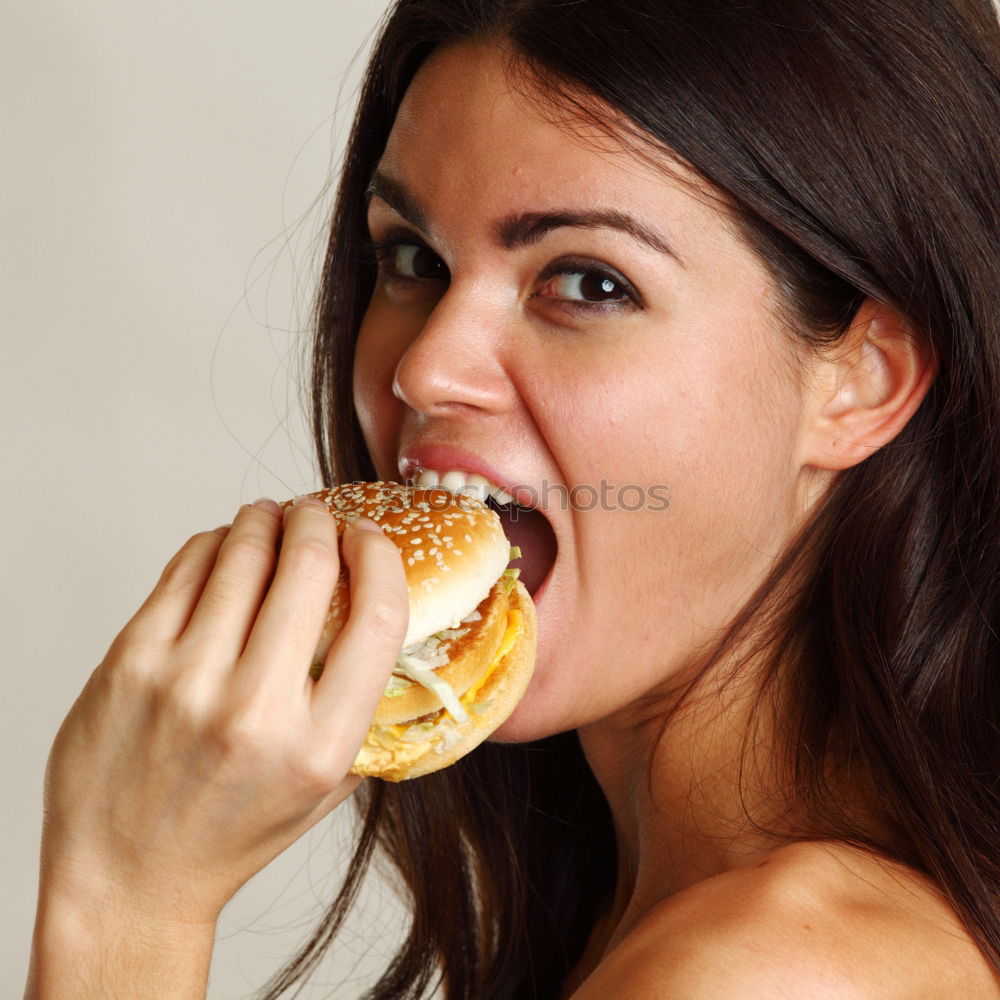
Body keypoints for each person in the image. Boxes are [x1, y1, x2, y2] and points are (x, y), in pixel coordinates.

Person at [25, 0, 1000, 997]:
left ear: (862, 381)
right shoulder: (652, 912)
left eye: (588, 282)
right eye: (413, 260)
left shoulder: (773, 972)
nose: (426, 367)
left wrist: (125, 901)